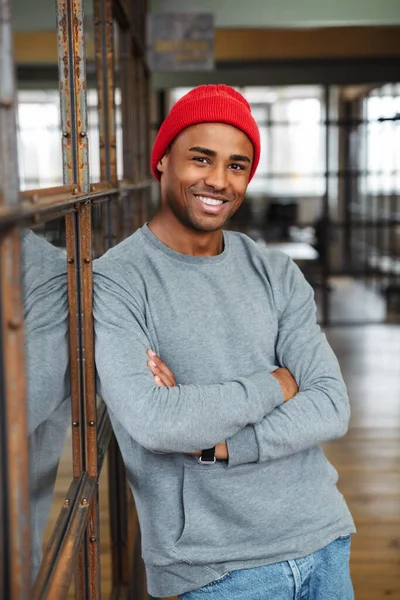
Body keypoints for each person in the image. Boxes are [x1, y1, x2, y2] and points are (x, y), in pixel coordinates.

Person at [93, 85, 355, 600]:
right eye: (201, 159)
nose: (218, 180)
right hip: (213, 569)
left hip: (323, 538)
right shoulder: (117, 280)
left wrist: (220, 446)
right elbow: (157, 420)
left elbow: (331, 406)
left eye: (237, 166)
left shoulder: (277, 272)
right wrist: (279, 383)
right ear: (163, 160)